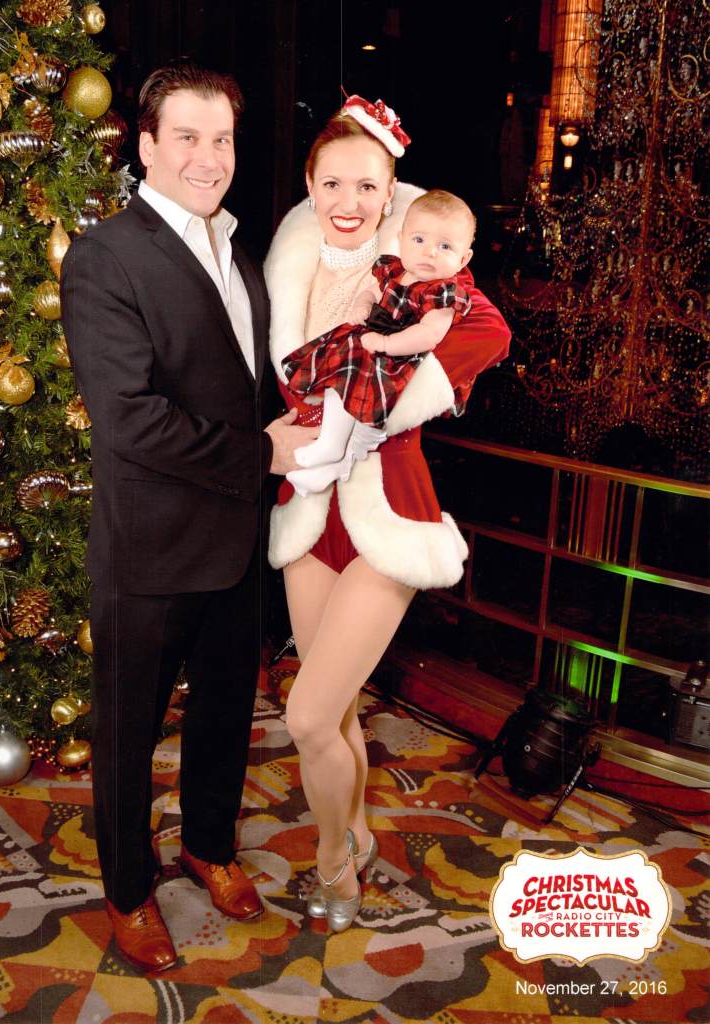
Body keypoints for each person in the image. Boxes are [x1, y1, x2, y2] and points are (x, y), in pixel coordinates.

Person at [60, 59, 316, 973]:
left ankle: (208, 847)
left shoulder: (236, 248)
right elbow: (130, 419)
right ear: (146, 146)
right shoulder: (104, 255)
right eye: (188, 138)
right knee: (127, 733)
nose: (209, 158)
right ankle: (128, 889)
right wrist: (263, 455)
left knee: (223, 716)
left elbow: (241, 384)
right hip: (152, 548)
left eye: (223, 139)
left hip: (236, 543)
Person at [264, 94, 511, 931]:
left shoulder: (416, 273)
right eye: (331, 183)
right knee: (329, 715)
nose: (347, 202)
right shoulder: (289, 275)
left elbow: (490, 335)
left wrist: (396, 387)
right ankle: (357, 833)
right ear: (309, 186)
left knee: (302, 714)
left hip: (385, 517)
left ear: (390, 192)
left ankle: (335, 865)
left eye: (366, 187)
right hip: (307, 513)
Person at [281, 189, 477, 495]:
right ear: (401, 239)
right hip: (372, 342)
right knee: (339, 376)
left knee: (366, 418)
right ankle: (331, 451)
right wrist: (362, 306)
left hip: (401, 358)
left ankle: (338, 458)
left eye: (445, 246)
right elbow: (371, 292)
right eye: (419, 240)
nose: (430, 252)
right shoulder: (394, 270)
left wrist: (386, 345)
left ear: (463, 258)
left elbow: (428, 335)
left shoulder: (443, 294)